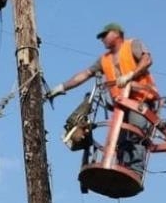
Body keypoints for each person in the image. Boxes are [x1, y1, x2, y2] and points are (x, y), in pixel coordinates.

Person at [45, 23, 160, 175]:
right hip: (121, 105)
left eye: (105, 35)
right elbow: (84, 74)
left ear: (117, 34)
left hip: (140, 101)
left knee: (135, 133)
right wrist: (61, 87)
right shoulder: (104, 60)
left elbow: (147, 60)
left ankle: (135, 171)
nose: (102, 40)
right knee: (120, 141)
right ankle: (122, 169)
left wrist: (130, 75)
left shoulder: (132, 45)